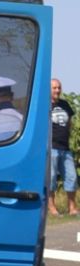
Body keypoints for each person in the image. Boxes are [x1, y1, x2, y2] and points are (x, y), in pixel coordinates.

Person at [49, 77, 75, 215]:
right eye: (54, 88)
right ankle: (52, 208)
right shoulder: (45, 105)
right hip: (51, 148)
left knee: (71, 177)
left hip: (65, 148)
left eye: (59, 87)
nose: (57, 90)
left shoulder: (65, 104)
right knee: (51, 179)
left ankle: (72, 208)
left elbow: (69, 122)